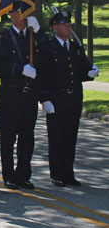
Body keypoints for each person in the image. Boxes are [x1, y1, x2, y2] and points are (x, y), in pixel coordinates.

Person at [0, 0, 50, 189]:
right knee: (8, 137)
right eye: (20, 13)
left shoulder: (34, 36)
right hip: (10, 92)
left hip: (30, 94)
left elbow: (49, 55)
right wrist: (19, 69)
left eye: (26, 13)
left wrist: (40, 32)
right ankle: (8, 175)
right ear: (12, 15)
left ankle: (23, 174)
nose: (24, 17)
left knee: (27, 136)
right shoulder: (3, 36)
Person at [42, 11, 98, 187]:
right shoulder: (48, 47)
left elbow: (79, 72)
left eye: (69, 24)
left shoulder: (75, 47)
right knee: (56, 137)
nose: (68, 27)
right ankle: (57, 174)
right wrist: (44, 99)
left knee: (70, 138)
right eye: (64, 25)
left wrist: (90, 74)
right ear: (55, 27)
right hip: (56, 98)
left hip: (73, 97)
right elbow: (44, 75)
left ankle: (68, 173)